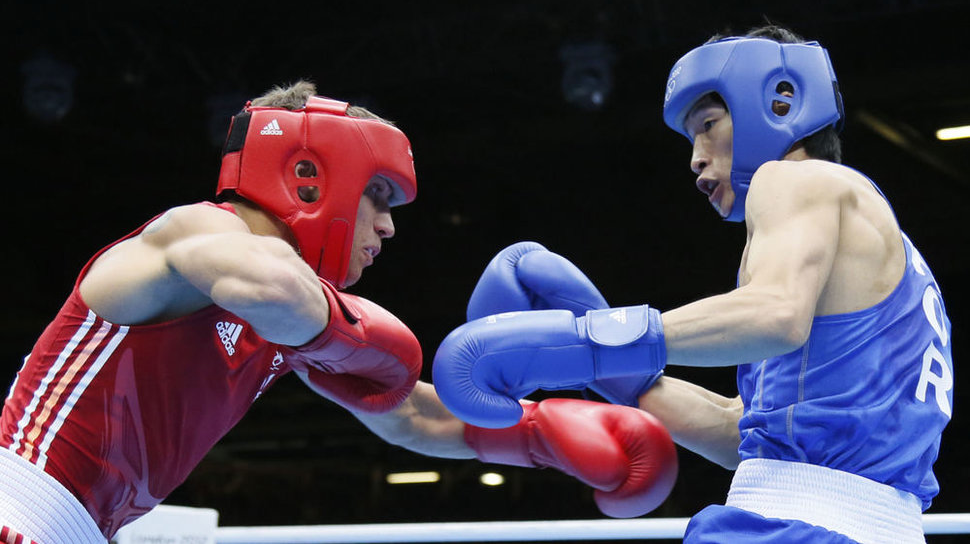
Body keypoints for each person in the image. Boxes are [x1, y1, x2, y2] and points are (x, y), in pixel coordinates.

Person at [0, 81, 678, 543]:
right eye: (378, 197)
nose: (387, 227)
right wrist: (358, 331)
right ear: (309, 176)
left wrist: (537, 434)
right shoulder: (191, 235)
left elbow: (409, 415)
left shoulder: (290, 326)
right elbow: (272, 291)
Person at [432, 24, 953, 543]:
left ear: (779, 102)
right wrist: (619, 372)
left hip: (791, 529)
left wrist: (591, 338)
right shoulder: (892, 259)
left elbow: (775, 314)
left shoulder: (796, 178)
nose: (695, 157)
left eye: (708, 123)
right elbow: (742, 432)